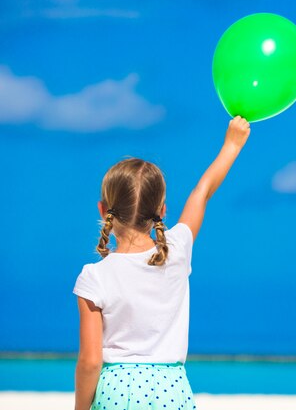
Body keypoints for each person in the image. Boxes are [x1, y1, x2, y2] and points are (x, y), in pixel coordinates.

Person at [72, 116, 251, 410]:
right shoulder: (177, 250)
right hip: (172, 390)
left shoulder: (94, 276)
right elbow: (202, 193)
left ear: (104, 210)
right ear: (163, 211)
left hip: (116, 391)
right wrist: (232, 144)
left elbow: (90, 362)